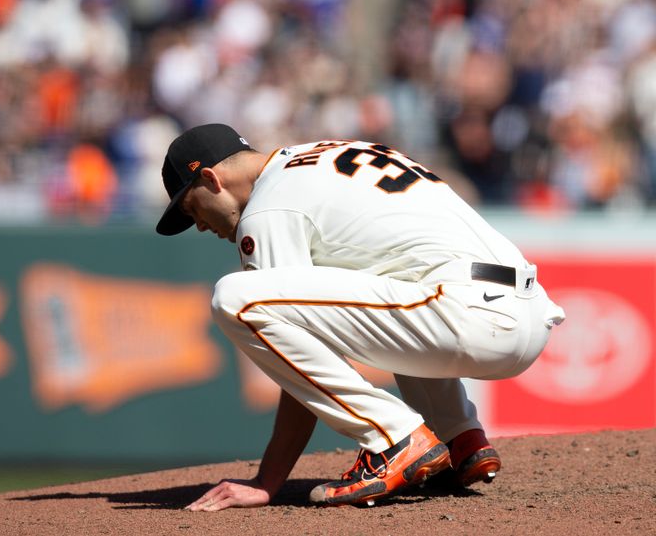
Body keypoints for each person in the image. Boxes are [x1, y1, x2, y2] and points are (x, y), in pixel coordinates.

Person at [156, 124, 565, 510]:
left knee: (235, 297)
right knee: (381, 279)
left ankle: (394, 438)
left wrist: (267, 481)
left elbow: (298, 366)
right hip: (524, 308)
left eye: (192, 209)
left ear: (211, 179)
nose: (199, 226)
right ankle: (457, 438)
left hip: (470, 314)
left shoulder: (267, 208)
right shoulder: (329, 153)